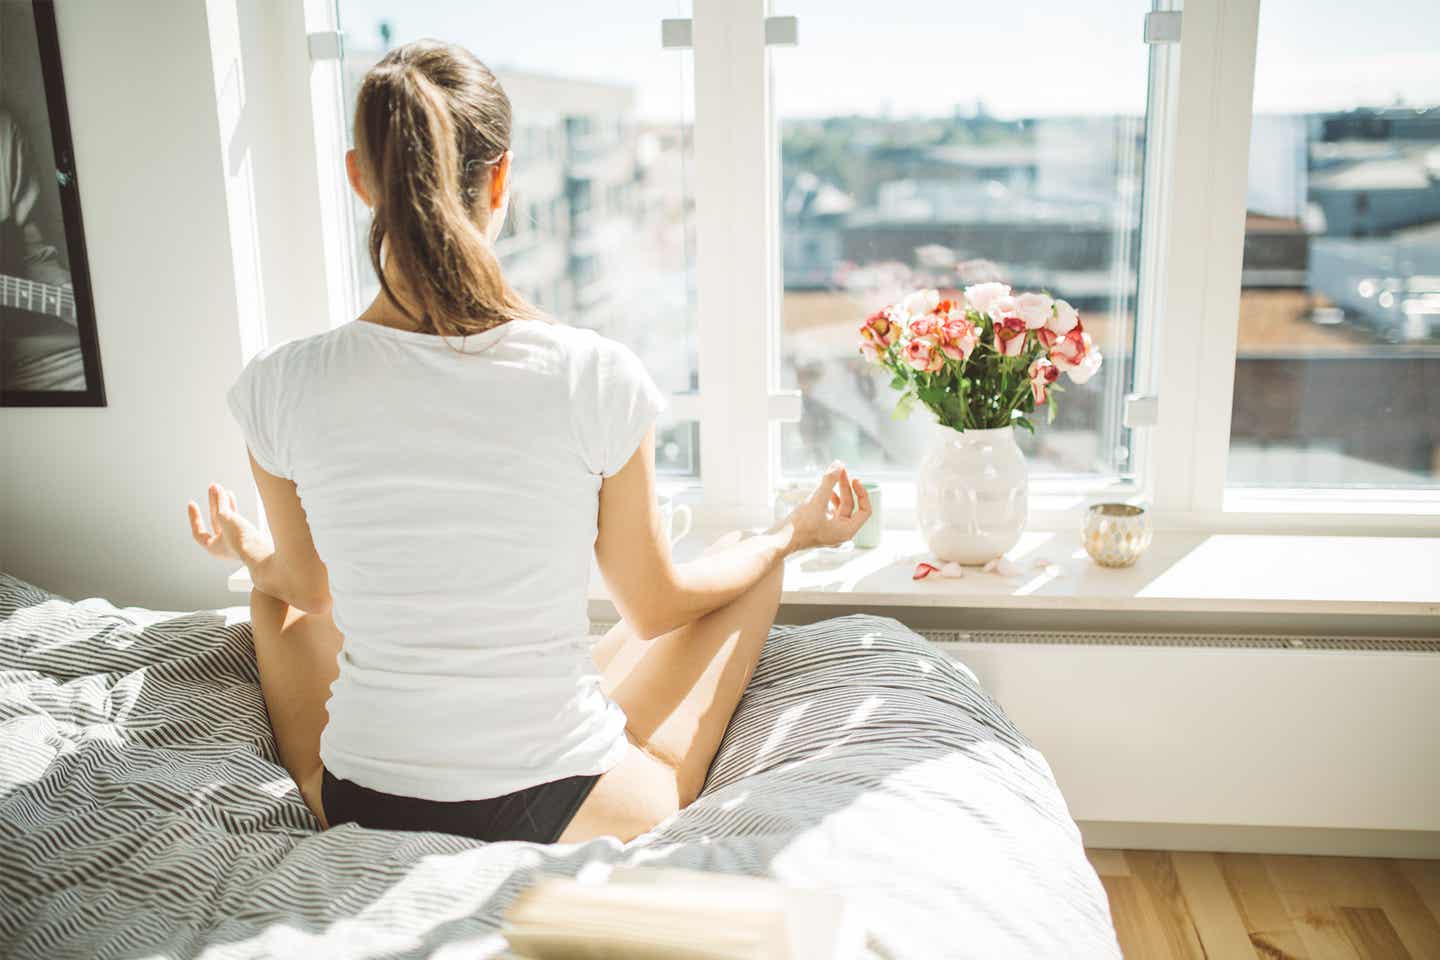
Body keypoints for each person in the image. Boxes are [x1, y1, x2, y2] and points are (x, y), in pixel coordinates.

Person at [186, 40, 871, 845]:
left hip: (363, 798)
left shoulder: (278, 384)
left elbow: (308, 589)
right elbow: (654, 609)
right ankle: (785, 539)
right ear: (501, 178)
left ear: (359, 177)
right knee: (752, 562)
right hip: (565, 806)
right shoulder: (592, 373)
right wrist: (794, 533)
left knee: (271, 592)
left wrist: (249, 548)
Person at [0, 106, 83, 392]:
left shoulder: (4, 129)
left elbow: (33, 256)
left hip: (13, 345)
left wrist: (72, 297)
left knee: (98, 368)